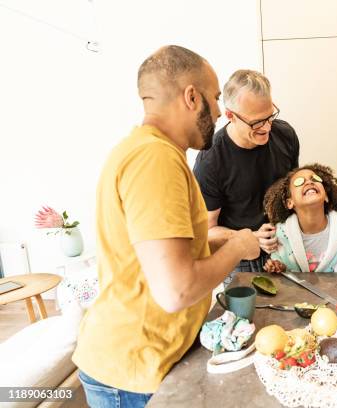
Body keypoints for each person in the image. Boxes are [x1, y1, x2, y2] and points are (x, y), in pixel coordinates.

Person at [72, 45, 260, 408]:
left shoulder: (149, 151)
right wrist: (238, 246)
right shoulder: (154, 159)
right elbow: (177, 289)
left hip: (142, 359)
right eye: (216, 98)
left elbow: (166, 251)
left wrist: (225, 240)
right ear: (192, 97)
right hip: (130, 371)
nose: (220, 111)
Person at [193, 70, 299, 273]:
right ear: (230, 116)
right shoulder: (210, 162)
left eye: (270, 116)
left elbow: (292, 193)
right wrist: (251, 238)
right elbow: (206, 232)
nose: (267, 128)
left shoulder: (285, 135)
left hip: (287, 248)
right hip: (242, 260)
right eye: (257, 122)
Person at [262, 163, 337, 273]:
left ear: (326, 196)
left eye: (315, 179)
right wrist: (278, 267)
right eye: (299, 182)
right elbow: (280, 267)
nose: (309, 182)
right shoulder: (282, 233)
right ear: (290, 202)